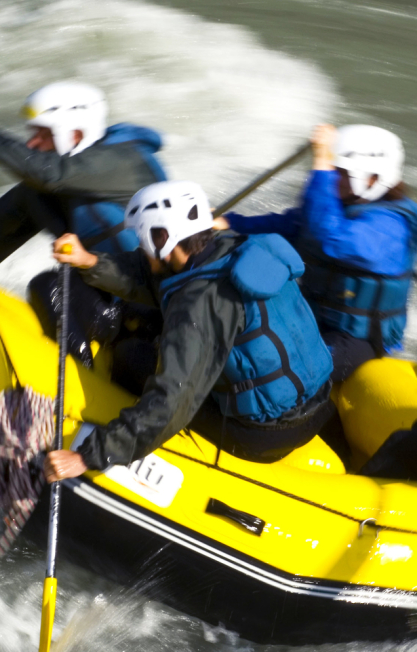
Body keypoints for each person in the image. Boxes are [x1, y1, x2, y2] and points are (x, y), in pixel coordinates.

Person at [41, 180, 335, 477]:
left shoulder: (199, 303)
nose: (141, 249)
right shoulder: (237, 246)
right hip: (319, 404)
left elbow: (173, 401)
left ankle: (120, 432)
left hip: (262, 435)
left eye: (143, 240)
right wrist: (89, 261)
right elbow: (151, 275)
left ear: (163, 238)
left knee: (132, 357)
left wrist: (85, 458)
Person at [0, 82, 168, 363]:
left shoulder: (121, 161)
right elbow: (39, 185)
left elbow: (51, 173)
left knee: (52, 289)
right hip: (107, 289)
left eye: (43, 135)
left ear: (74, 135)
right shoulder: (73, 173)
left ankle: (75, 382)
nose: (32, 143)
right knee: (30, 195)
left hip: (151, 306)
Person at [220, 123, 417, 385]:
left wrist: (322, 164)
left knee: (279, 373)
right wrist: (228, 223)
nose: (333, 177)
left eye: (341, 172)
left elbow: (332, 240)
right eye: (333, 170)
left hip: (358, 338)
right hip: (313, 317)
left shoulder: (391, 226)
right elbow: (286, 225)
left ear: (373, 178)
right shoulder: (339, 208)